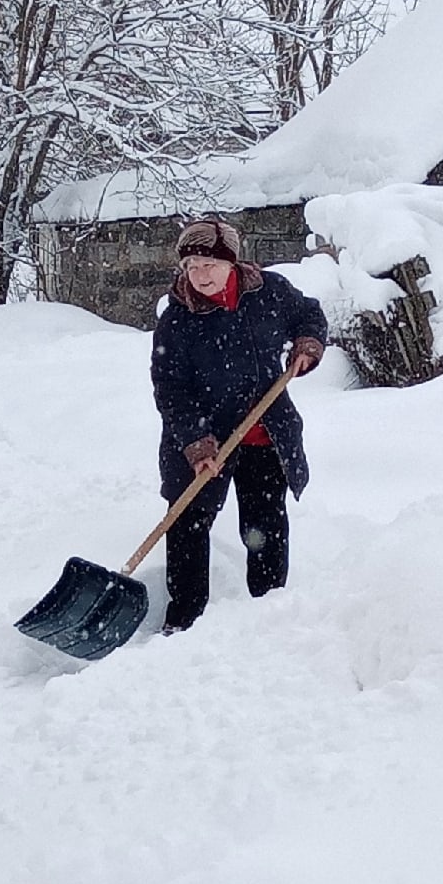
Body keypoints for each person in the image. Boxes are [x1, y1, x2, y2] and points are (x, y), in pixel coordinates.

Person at [150, 218, 328, 632]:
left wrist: (307, 345)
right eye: (192, 266)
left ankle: (267, 614)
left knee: (263, 524)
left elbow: (308, 314)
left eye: (209, 264)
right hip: (203, 438)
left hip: (265, 435)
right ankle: (184, 622)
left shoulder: (268, 292)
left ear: (232, 262)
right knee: (188, 525)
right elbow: (170, 389)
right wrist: (197, 443)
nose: (200, 275)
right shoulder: (178, 320)